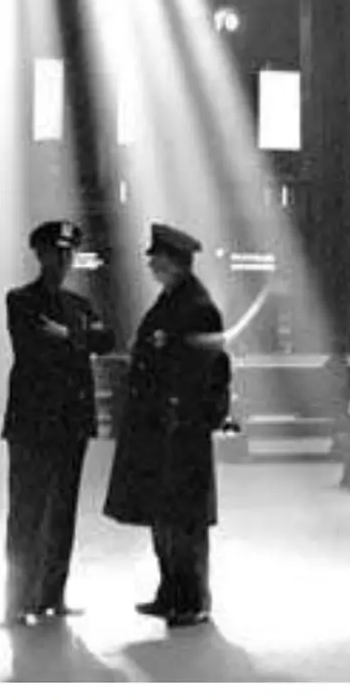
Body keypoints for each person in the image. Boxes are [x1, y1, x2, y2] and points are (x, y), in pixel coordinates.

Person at [103, 222, 232, 627]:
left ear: (174, 262)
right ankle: (170, 592)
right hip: (158, 430)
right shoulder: (172, 301)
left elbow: (213, 371)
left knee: (184, 520)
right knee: (163, 516)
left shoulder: (198, 307)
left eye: (156, 258)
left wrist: (191, 414)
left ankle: (193, 599)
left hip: (181, 431)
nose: (150, 264)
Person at [1, 219, 115, 627]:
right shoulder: (20, 300)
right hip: (33, 423)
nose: (63, 260)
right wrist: (78, 338)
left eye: (68, 253)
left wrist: (66, 335)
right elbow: (34, 348)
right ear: (40, 254)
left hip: (70, 422)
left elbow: (108, 340)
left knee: (62, 513)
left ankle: (52, 596)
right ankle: (17, 599)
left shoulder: (76, 305)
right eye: (56, 252)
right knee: (26, 511)